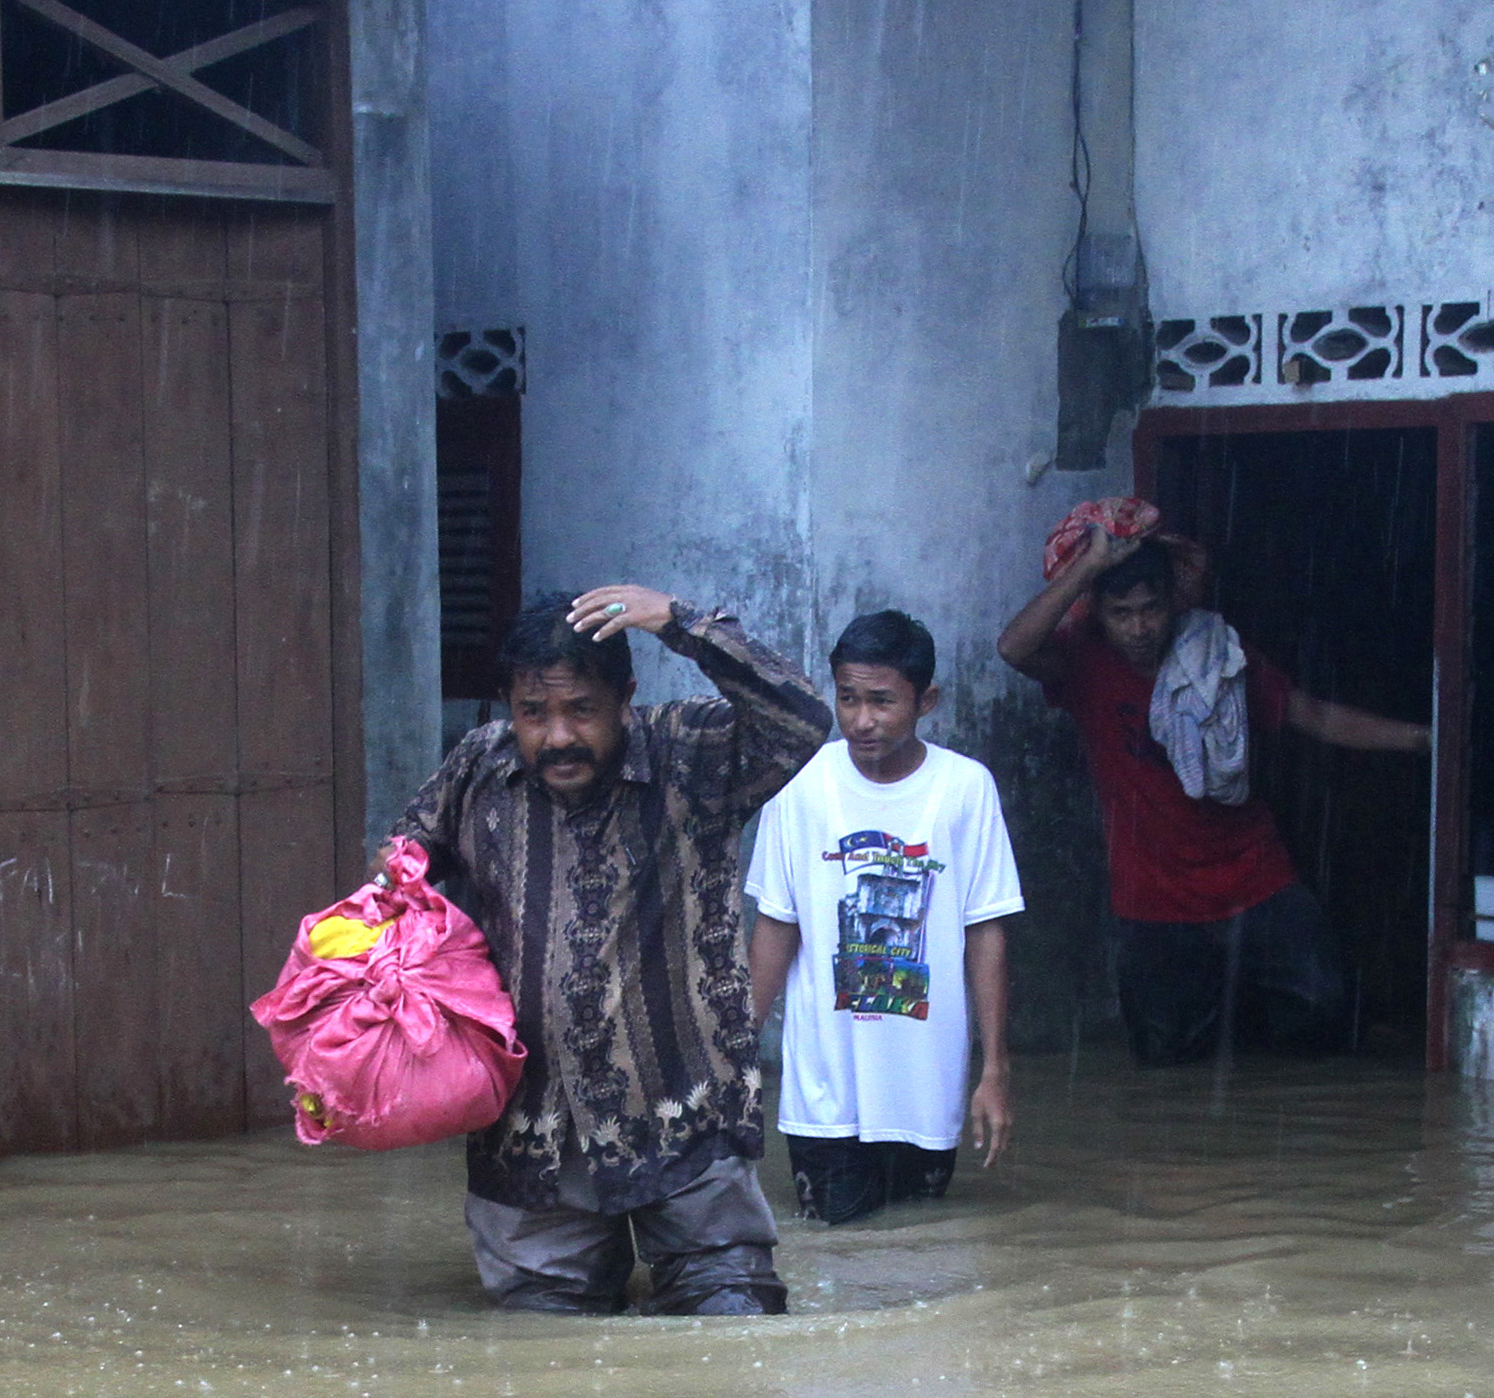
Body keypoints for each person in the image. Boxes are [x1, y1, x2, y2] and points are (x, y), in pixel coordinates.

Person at [393, 585, 830, 1313]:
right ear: (508, 708)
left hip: (685, 1118)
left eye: (581, 709)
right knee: (542, 1346)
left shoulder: (692, 752)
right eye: (534, 713)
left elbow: (802, 719)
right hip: (531, 1137)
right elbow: (403, 860)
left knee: (734, 1320)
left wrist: (683, 624)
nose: (558, 736)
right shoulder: (479, 767)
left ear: (625, 698)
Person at [997, 517, 1431, 1065]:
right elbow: (1013, 648)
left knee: (1324, 1015)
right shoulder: (1085, 662)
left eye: (1150, 609)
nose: (1138, 628)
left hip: (1254, 876)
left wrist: (1422, 739)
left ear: (1173, 604)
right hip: (1152, 897)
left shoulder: (1217, 656)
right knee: (1163, 1060)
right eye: (1121, 613)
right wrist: (1089, 566)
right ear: (1098, 615)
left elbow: (1313, 715)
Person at [745, 611, 1025, 1225]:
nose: (861, 720)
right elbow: (776, 926)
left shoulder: (965, 788)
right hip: (825, 1093)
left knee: (916, 1242)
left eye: (881, 701)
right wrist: (736, 1056)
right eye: (848, 698)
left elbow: (985, 933)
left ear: (926, 701)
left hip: (926, 1086)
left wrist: (995, 1070)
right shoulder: (799, 785)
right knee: (836, 1237)